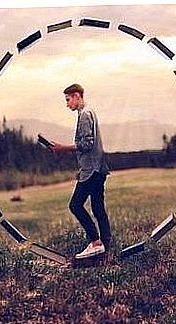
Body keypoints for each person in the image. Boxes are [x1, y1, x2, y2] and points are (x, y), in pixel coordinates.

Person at [50, 83, 112, 259]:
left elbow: (87, 144)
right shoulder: (89, 112)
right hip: (99, 168)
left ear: (77, 96)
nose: (67, 104)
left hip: (91, 170)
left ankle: (96, 242)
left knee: (75, 205)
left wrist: (62, 148)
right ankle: (105, 247)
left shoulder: (84, 115)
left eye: (68, 99)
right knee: (98, 208)